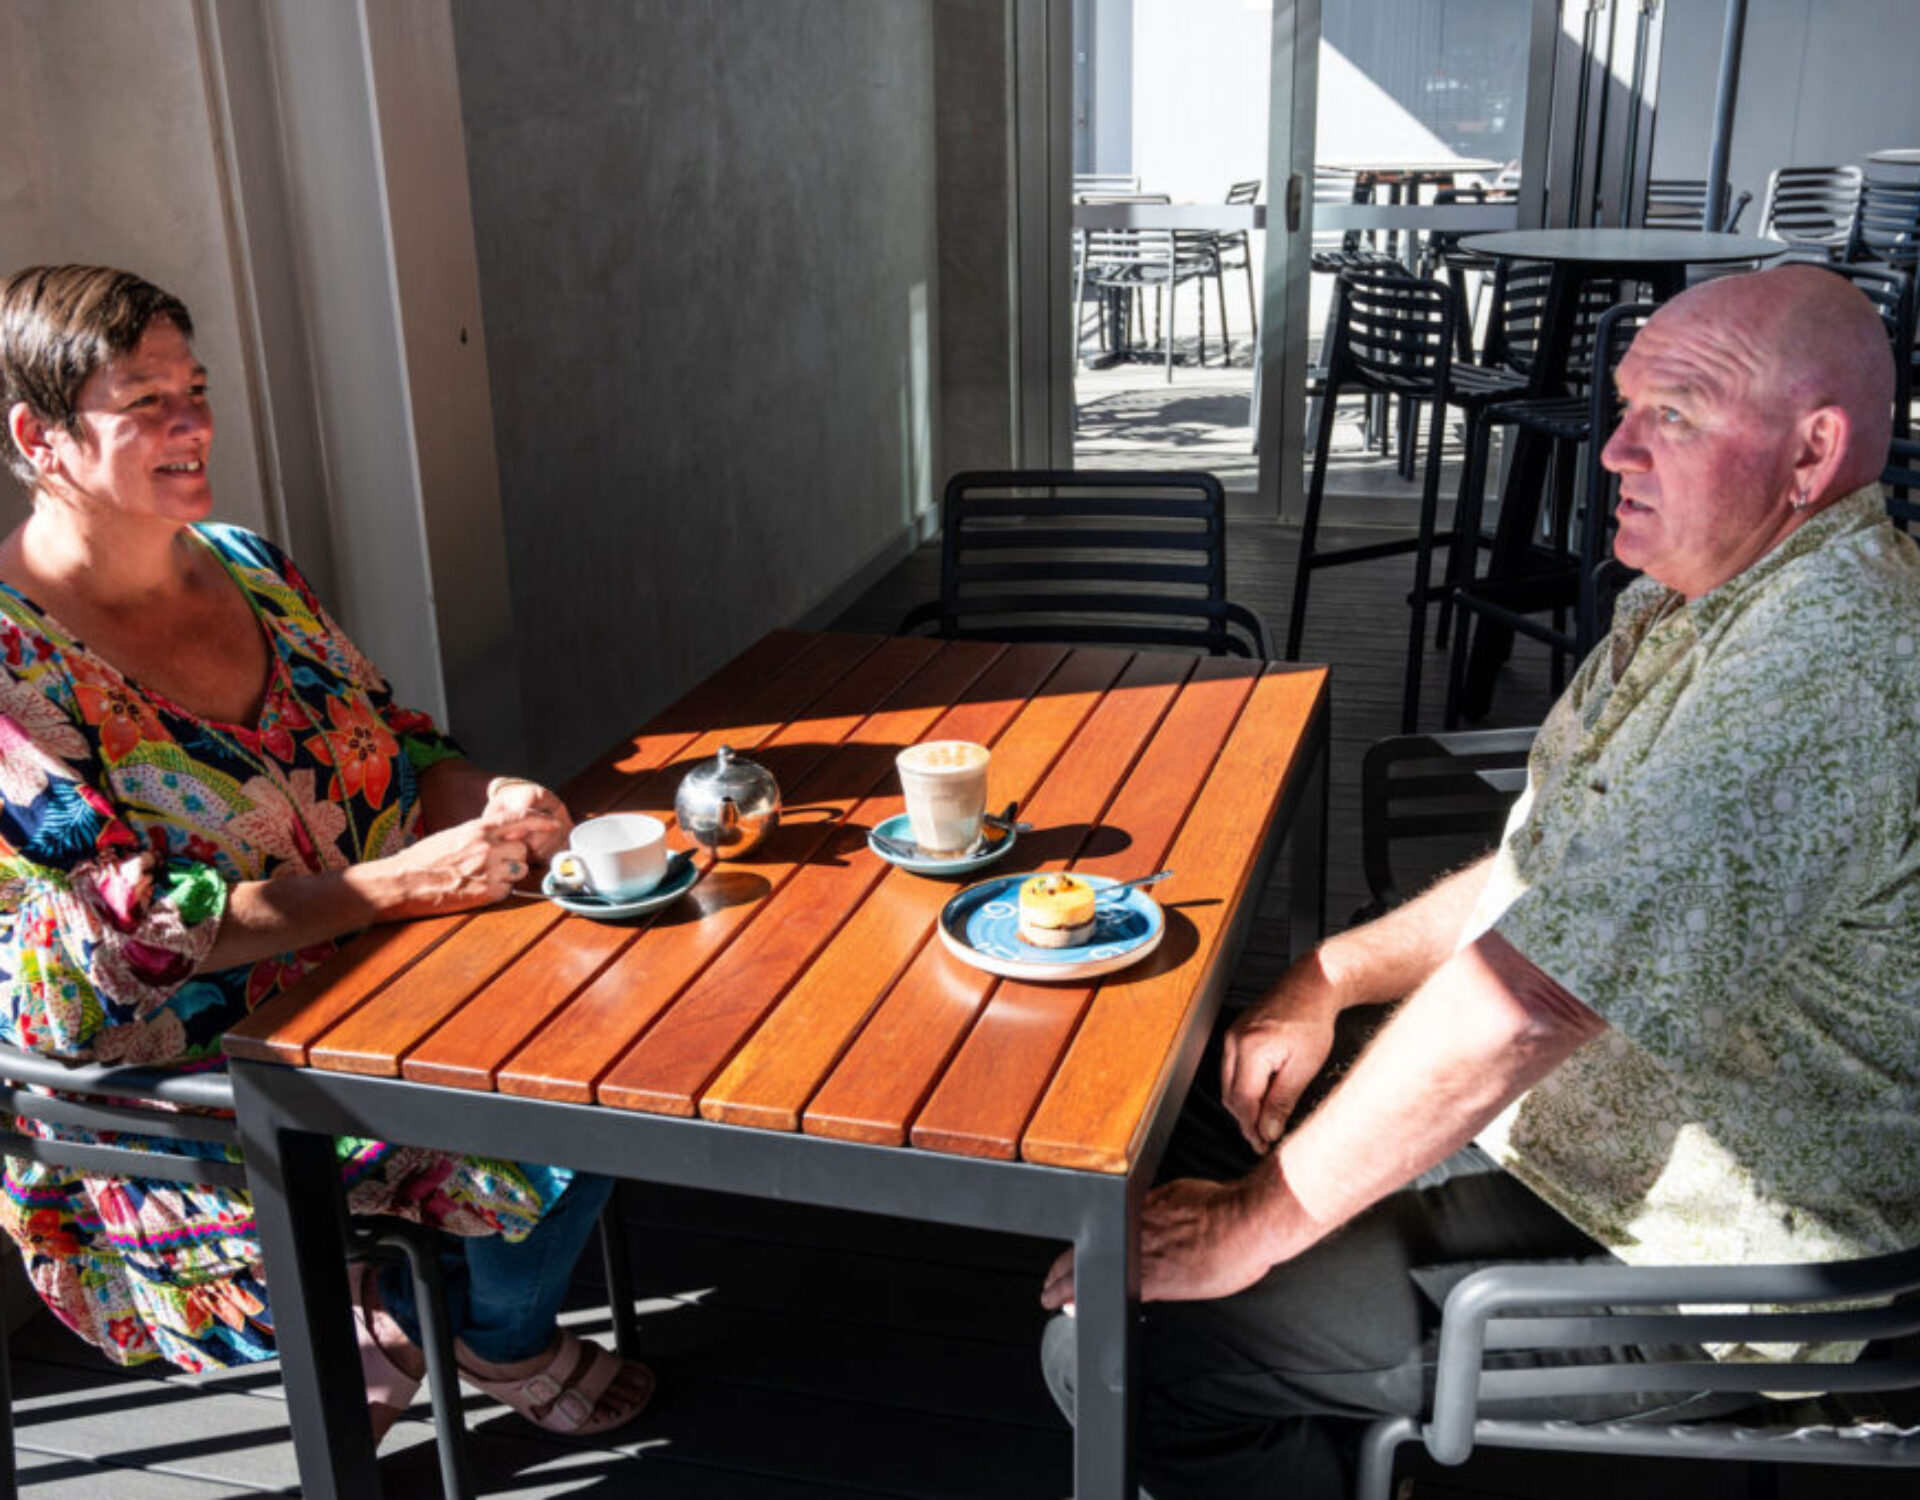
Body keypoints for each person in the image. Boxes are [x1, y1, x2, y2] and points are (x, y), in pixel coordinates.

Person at [1038, 262, 1920, 1497]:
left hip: (1694, 1256)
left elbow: (1529, 1001)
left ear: (1811, 453)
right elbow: (1540, 865)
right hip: (1567, 1130)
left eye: (1674, 414)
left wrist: (1250, 1229)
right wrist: (1329, 975)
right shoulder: (1703, 598)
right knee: (1167, 1113)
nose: (1613, 450)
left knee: (1127, 1348)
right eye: (1622, 407)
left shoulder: (1826, 664)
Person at [0, 265, 652, 1440]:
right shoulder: (13, 664)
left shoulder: (252, 566)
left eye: (194, 388)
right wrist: (395, 886)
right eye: (142, 400)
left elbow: (396, 748)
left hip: (383, 982)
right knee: (562, 1090)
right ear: (37, 436)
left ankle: (444, 1314)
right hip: (194, 1077)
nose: (192, 422)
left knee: (645, 1000)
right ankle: (471, 1324)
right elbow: (124, 935)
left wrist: (486, 793)